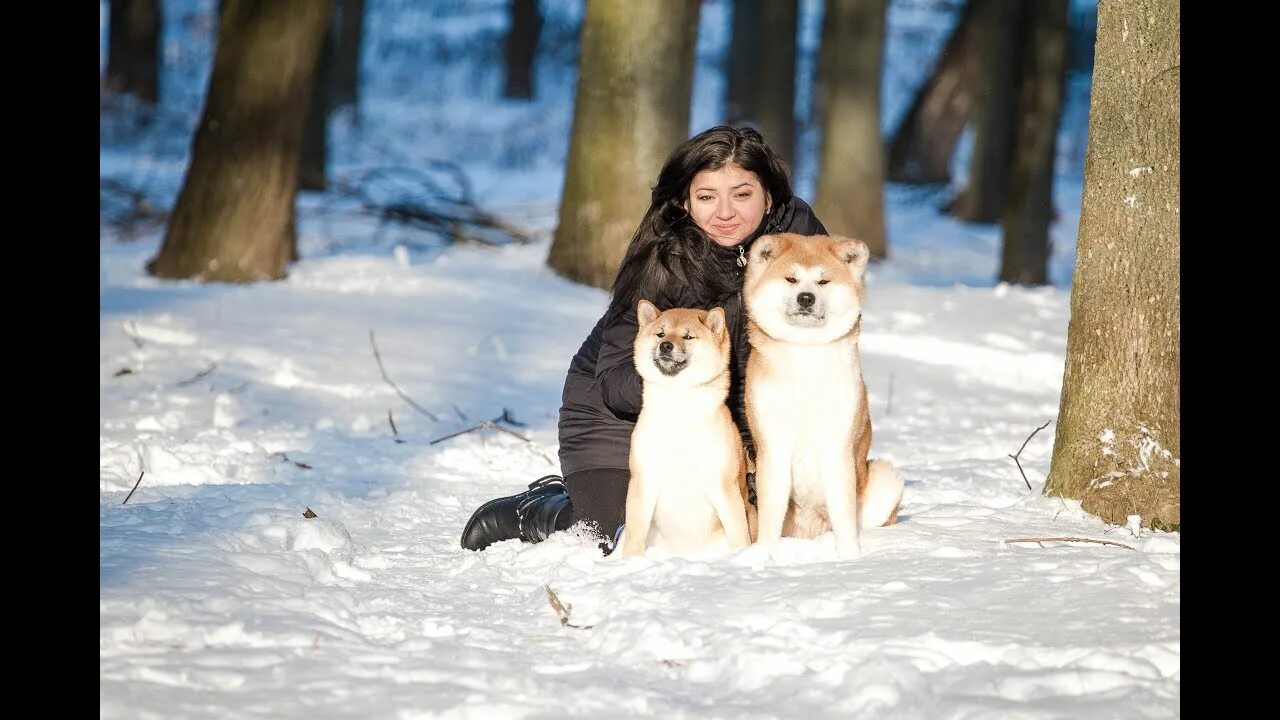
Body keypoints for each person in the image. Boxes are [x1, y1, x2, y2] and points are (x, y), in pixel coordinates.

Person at [460, 125, 828, 553]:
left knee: (750, 529)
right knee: (618, 538)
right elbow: (614, 381)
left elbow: (828, 335)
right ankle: (550, 507)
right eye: (707, 197)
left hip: (729, 423)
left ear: (769, 196)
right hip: (623, 416)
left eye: (742, 194)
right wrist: (692, 390)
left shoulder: (800, 240)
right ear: (686, 202)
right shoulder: (664, 257)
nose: (725, 212)